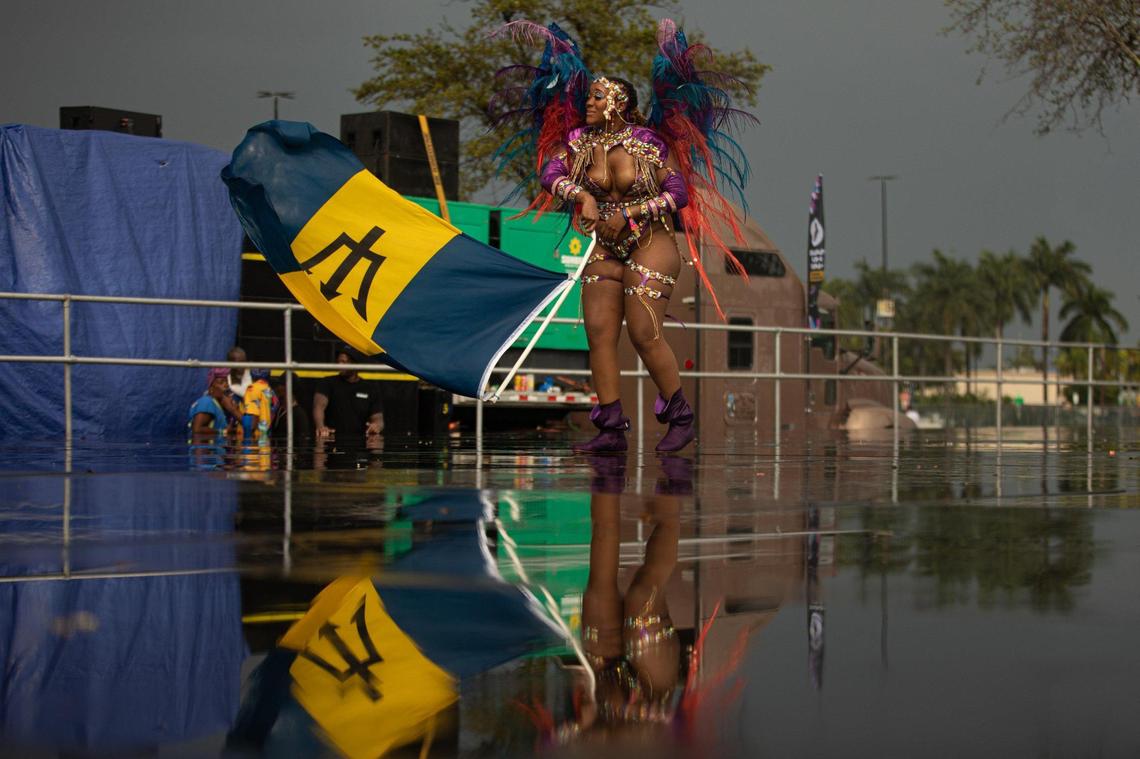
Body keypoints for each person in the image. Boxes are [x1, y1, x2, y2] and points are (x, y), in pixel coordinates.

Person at [494, 20, 754, 453]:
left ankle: (680, 415)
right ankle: (611, 426)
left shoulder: (648, 143)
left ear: (617, 103)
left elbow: (679, 192)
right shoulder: (579, 142)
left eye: (597, 97)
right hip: (606, 247)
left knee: (643, 333)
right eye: (590, 96)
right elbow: (549, 173)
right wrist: (582, 197)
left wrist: (631, 211)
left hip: (651, 243)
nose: (588, 102)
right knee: (597, 332)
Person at [312, 348, 383, 444]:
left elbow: (378, 417)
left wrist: (376, 426)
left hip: (360, 443)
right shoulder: (327, 383)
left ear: (355, 364)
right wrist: (321, 427)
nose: (340, 365)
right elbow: (318, 407)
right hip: (333, 440)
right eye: (339, 361)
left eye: (344, 362)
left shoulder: (369, 388)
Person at [188, 367, 238, 439]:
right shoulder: (206, 402)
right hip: (207, 449)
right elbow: (197, 429)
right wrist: (223, 432)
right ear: (211, 389)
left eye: (227, 382)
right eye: (221, 383)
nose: (226, 385)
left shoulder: (216, 404)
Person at [240, 368, 276, 443]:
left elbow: (250, 424)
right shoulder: (270, 390)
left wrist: (247, 443)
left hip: (254, 443)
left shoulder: (252, 389)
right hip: (265, 441)